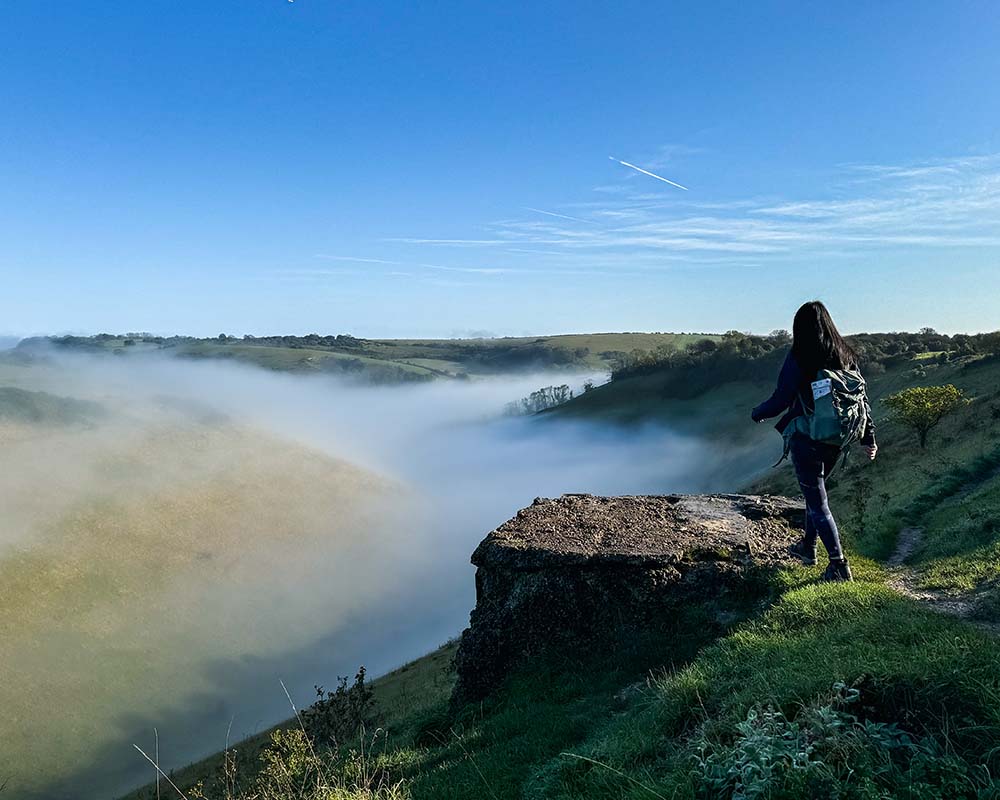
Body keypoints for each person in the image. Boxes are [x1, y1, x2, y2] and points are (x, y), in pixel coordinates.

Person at [751, 301, 877, 582]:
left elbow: (781, 399)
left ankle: (839, 567)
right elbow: (862, 401)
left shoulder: (800, 355)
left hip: (808, 438)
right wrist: (869, 437)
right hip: (836, 439)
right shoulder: (845, 355)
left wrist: (757, 413)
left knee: (818, 503)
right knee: (815, 497)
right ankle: (807, 549)